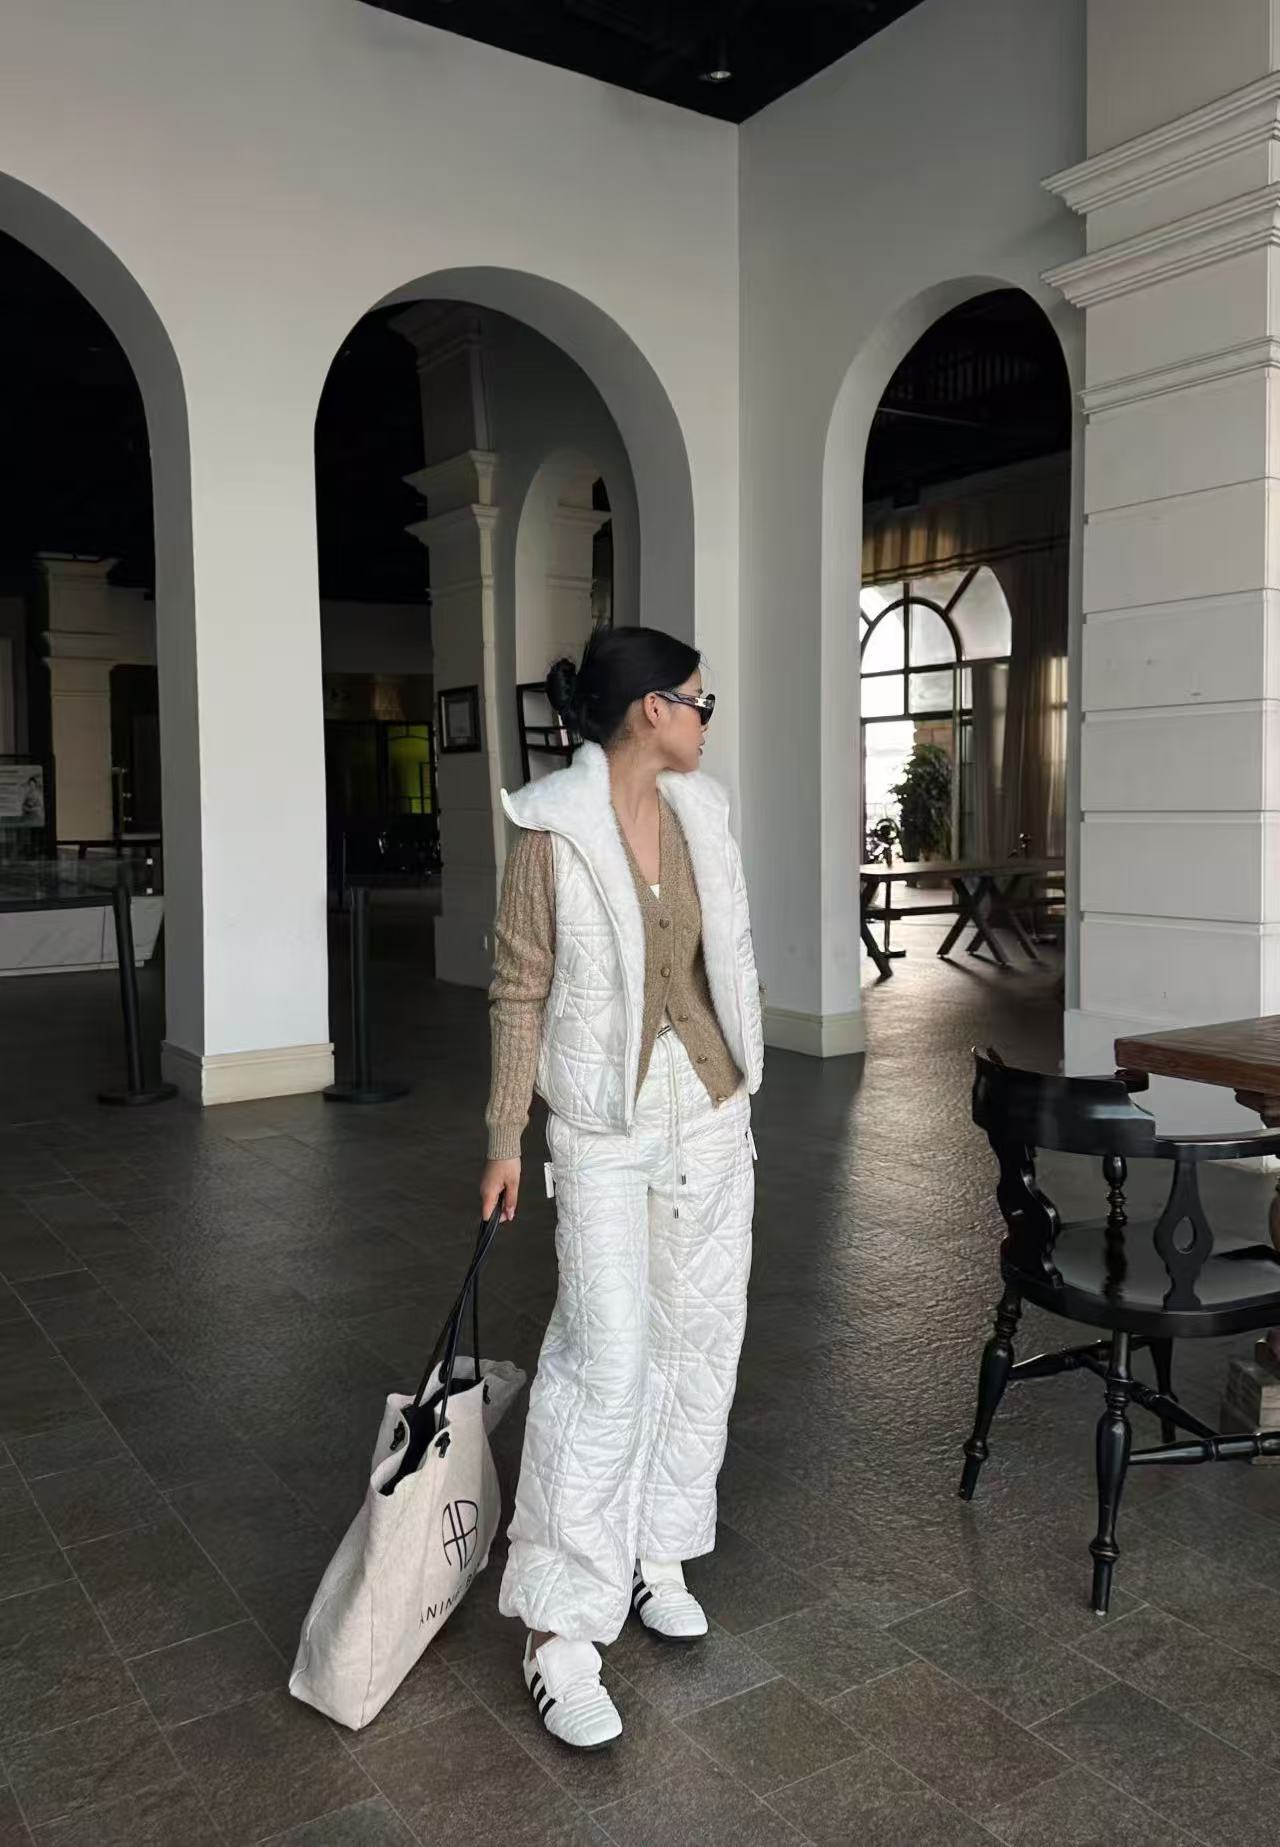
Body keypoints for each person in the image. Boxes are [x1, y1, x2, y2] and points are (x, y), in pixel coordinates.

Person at [479, 626, 763, 1750]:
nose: (705, 719)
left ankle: (657, 1547)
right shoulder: (549, 829)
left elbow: (724, 962)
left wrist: (743, 1081)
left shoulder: (704, 815)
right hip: (601, 1126)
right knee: (604, 1360)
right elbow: (518, 990)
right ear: (652, 708)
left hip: (710, 1109)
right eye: (699, 700)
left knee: (700, 1340)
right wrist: (506, 1136)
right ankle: (558, 1629)